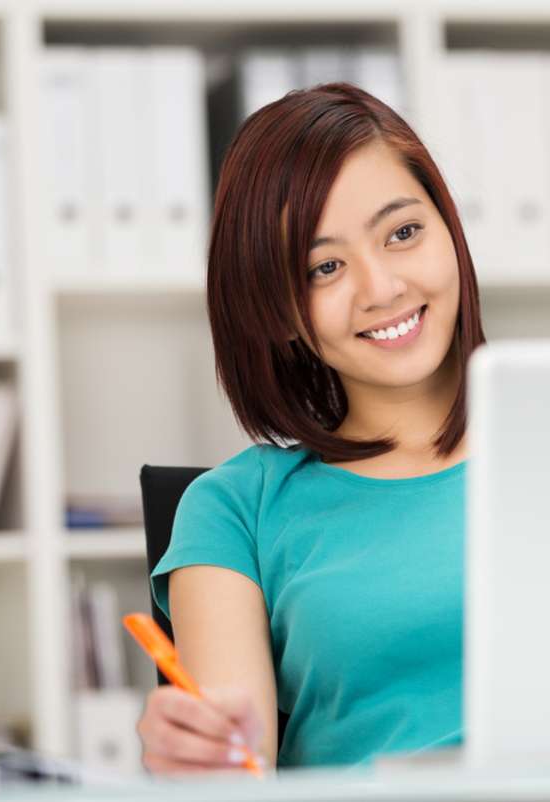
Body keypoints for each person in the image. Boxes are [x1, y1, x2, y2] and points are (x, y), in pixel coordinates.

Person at [136, 81, 487, 773]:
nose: (380, 287)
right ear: (276, 310)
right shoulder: (237, 510)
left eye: (404, 232)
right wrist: (196, 757)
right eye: (325, 267)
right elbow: (238, 767)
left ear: (450, 230)